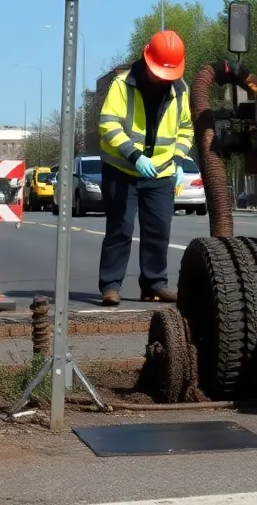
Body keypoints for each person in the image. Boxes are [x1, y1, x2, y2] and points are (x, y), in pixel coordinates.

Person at [97, 30, 194, 307]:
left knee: (158, 230)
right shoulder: (121, 85)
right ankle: (111, 286)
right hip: (122, 171)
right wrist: (134, 155)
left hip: (161, 173)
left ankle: (154, 285)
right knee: (120, 229)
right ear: (146, 58)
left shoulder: (180, 90)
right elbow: (108, 124)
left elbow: (186, 129)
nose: (163, 78)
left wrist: (176, 160)